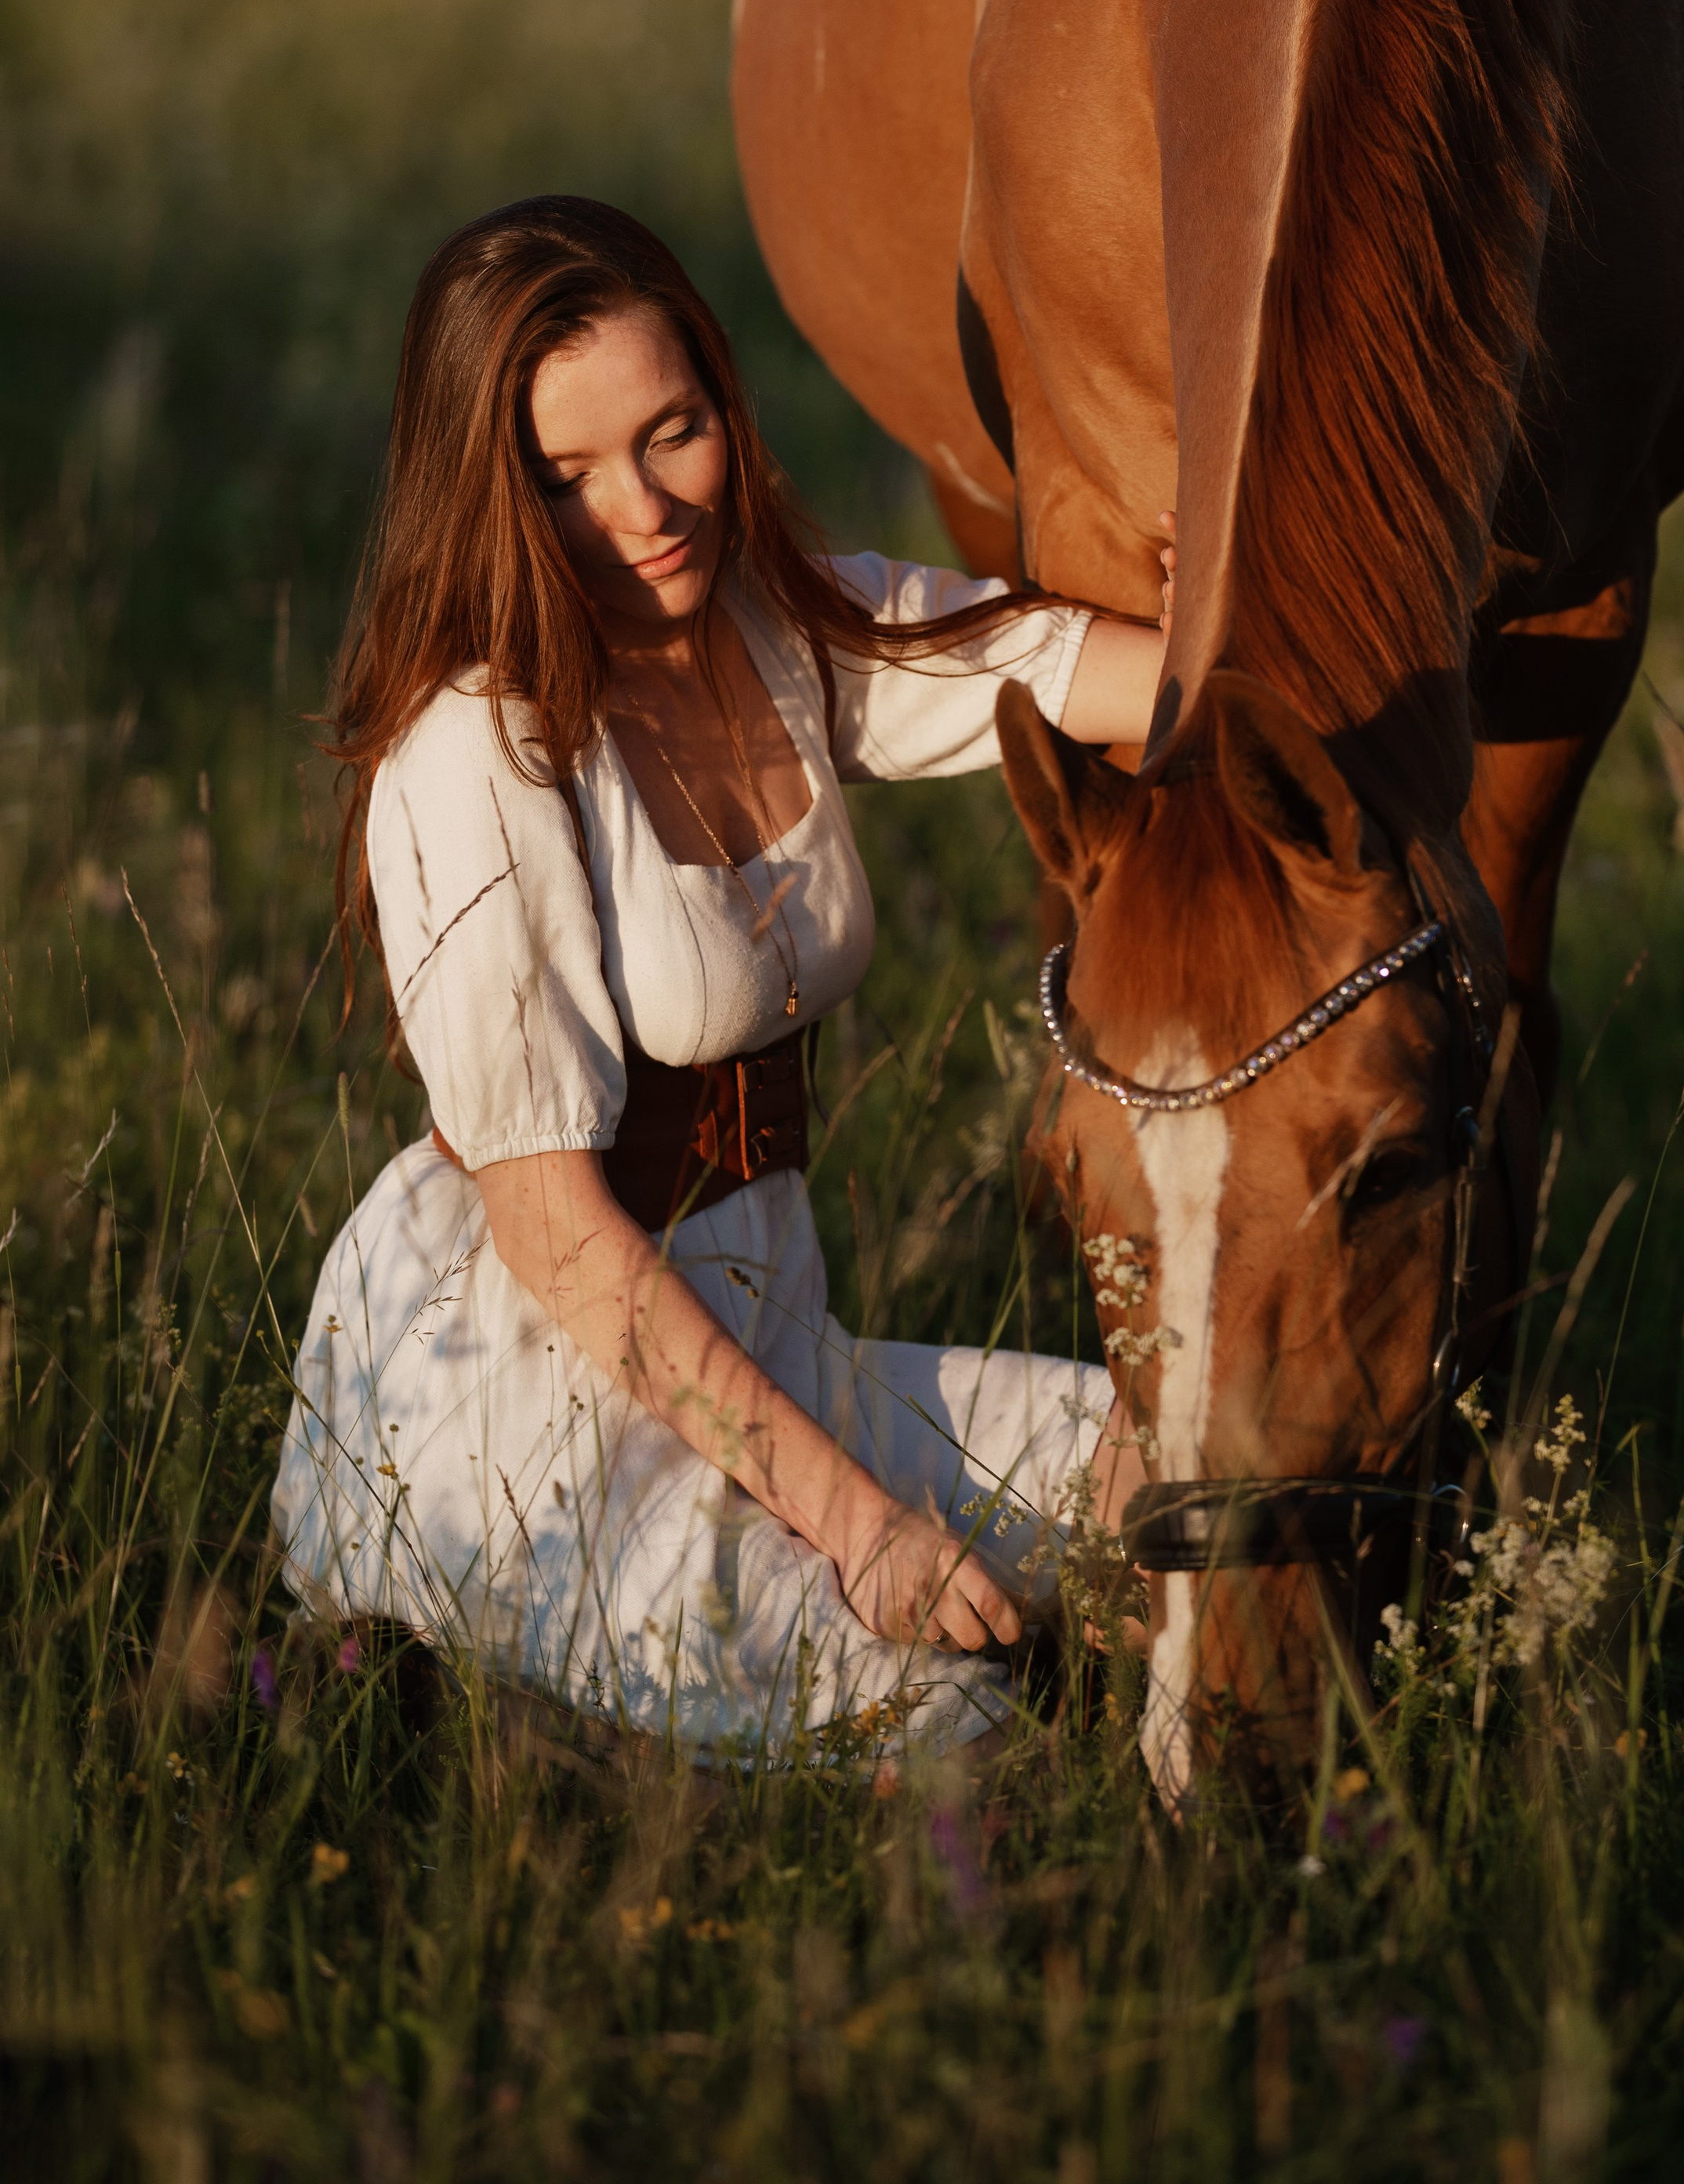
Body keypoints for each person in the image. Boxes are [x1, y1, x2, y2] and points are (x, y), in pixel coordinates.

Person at [272, 194, 1170, 1763]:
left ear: (722, 405)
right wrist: (864, 1528)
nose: (644, 511)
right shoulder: (476, 751)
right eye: (564, 481)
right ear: (489, 498)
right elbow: (561, 1246)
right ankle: (467, 1673)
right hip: (532, 1408)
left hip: (771, 1349)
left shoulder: (777, 632)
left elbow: (1095, 676)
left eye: (671, 433)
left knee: (1169, 1491)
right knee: (946, 1718)